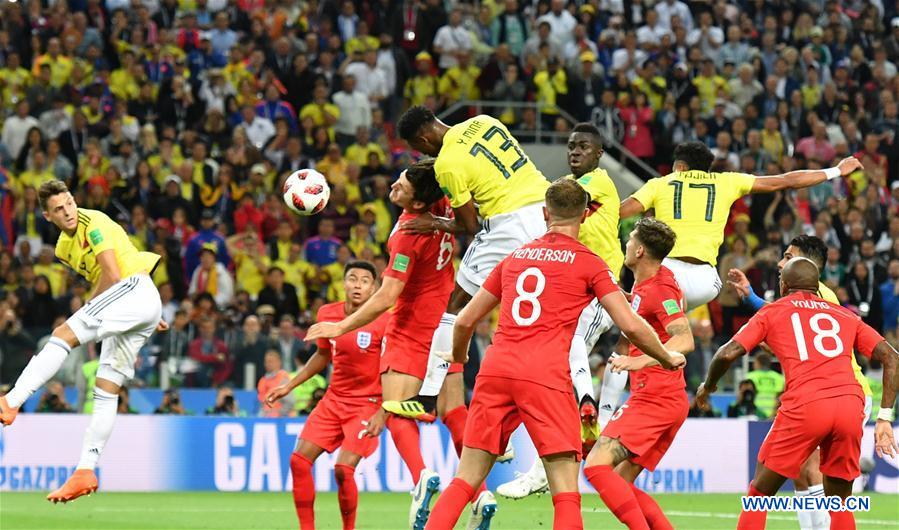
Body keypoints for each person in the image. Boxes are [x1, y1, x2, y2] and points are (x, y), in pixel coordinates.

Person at [423, 179, 686, 530]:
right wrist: (666, 357)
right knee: (565, 494)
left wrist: (459, 356)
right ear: (584, 216)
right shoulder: (590, 263)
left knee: (465, 480)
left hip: (497, 370)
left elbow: (465, 319)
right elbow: (631, 325)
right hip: (545, 375)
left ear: (546, 213)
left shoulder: (514, 257)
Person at [304, 160, 496, 529]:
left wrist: (340, 326)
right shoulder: (444, 203)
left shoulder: (408, 232)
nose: (393, 186)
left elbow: (387, 295)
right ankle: (480, 492)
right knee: (454, 411)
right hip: (447, 321)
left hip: (411, 327)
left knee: (394, 409)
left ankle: (422, 476)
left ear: (418, 203)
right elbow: (465, 212)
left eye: (402, 187)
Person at [695, 257, 898, 530]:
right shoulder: (845, 315)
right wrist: (884, 417)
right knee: (839, 500)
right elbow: (891, 357)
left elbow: (727, 353)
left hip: (807, 403)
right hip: (850, 404)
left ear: (784, 285)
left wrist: (708, 386)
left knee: (759, 493)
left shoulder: (774, 312)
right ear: (817, 285)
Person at [0, 180, 165, 503]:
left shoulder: (94, 221)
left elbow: (113, 274)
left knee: (62, 334)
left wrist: (96, 309)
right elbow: (107, 278)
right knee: (105, 389)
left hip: (133, 290)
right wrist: (141, 314)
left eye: (70, 204)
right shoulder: (62, 249)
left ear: (75, 201)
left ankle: (11, 400)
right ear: (47, 216)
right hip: (135, 303)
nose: (68, 212)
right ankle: (85, 470)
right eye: (58, 209)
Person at [497, 123, 627, 499]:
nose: (575, 152)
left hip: (601, 289)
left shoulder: (598, 182)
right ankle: (554, 455)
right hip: (574, 290)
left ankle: (587, 408)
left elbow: (559, 200)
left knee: (566, 356)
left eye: (583, 147)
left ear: (599, 153)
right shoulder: (570, 188)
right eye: (571, 146)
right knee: (549, 369)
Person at [393, 105, 548, 419]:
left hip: (510, 225)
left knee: (456, 305)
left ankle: (426, 397)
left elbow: (470, 225)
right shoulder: (484, 121)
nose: (423, 154)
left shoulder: (447, 165)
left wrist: (434, 222)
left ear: (423, 140)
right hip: (547, 212)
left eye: (419, 149)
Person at [728, 234, 877, 530]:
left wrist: (755, 303)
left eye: (788, 256)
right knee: (798, 470)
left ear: (806, 263)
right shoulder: (807, 294)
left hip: (835, 391)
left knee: (812, 469)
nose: (780, 263)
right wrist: (753, 298)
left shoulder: (820, 294)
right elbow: (789, 321)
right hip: (827, 393)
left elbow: (792, 319)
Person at [619, 141, 864, 310]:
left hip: (666, 273)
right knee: (669, 326)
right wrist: (836, 170)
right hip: (705, 281)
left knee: (634, 335)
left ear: (680, 167)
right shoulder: (727, 181)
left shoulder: (661, 183)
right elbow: (786, 180)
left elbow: (619, 211)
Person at [584, 217, 693, 530]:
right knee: (621, 482)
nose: (627, 243)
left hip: (656, 399)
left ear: (641, 250)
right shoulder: (652, 282)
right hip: (666, 399)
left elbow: (685, 339)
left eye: (631, 239)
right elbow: (663, 310)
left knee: (595, 468)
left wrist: (639, 361)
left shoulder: (659, 288)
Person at [265, 260, 389, 530]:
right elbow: (322, 356)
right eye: (352, 279)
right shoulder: (327, 313)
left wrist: (384, 411)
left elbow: (393, 370)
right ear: (343, 284)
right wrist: (289, 385)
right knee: (298, 462)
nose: (357, 285)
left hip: (367, 404)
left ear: (374, 288)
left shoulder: (385, 320)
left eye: (365, 281)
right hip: (334, 400)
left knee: (343, 470)